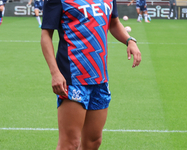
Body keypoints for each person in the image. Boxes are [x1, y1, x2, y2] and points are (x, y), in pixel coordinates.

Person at [41, 0, 141, 149]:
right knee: (70, 144)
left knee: (93, 141)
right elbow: (46, 35)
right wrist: (55, 72)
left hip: (99, 79)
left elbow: (113, 23)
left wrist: (129, 40)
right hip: (72, 78)